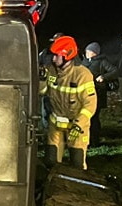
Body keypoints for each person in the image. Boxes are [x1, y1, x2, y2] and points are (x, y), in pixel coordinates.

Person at [41, 35, 97, 169]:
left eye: (56, 56)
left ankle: (77, 189)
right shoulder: (51, 70)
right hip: (56, 125)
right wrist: (41, 79)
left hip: (76, 127)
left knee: (77, 164)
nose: (53, 59)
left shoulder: (82, 74)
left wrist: (79, 124)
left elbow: (90, 103)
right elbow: (42, 91)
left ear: (67, 55)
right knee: (51, 162)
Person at [82, 41, 118, 144]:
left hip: (97, 92)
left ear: (94, 52)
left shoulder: (102, 62)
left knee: (94, 117)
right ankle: (86, 139)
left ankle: (95, 140)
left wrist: (104, 77)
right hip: (84, 94)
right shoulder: (84, 62)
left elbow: (115, 71)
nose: (87, 52)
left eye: (89, 51)